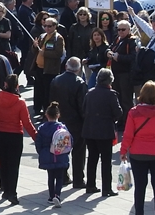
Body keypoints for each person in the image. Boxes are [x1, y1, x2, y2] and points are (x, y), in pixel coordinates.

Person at [121, 81, 155, 215]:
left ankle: (139, 212)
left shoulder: (134, 112)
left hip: (138, 153)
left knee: (140, 187)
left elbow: (128, 134)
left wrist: (123, 151)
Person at [0, 74, 37, 205]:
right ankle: (12, 192)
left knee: (3, 164)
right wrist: (36, 137)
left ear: (5, 84)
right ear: (17, 86)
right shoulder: (20, 102)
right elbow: (27, 123)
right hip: (15, 135)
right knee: (13, 165)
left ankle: (5, 190)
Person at [83, 68, 122, 196]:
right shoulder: (111, 94)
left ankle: (90, 185)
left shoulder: (90, 93)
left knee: (92, 158)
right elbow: (118, 113)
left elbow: (83, 110)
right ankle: (106, 188)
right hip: (105, 131)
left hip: (89, 129)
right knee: (106, 161)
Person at [50, 57, 87, 188]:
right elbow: (82, 105)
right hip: (76, 122)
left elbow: (51, 101)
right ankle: (78, 179)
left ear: (66, 66)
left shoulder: (56, 80)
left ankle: (63, 176)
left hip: (60, 120)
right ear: (78, 69)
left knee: (61, 150)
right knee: (78, 151)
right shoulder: (80, 83)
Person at [35, 102, 71, 208]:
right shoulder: (62, 127)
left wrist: (42, 153)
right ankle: (57, 195)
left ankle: (51, 196)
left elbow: (38, 143)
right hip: (60, 155)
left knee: (51, 177)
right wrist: (66, 152)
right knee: (60, 177)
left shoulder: (42, 128)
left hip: (47, 155)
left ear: (46, 115)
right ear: (58, 115)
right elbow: (69, 141)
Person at [34, 15, 66, 116]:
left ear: (55, 26)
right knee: (39, 90)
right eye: (45, 26)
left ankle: (47, 112)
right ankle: (37, 109)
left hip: (50, 69)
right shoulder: (42, 36)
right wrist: (34, 46)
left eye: (49, 26)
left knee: (47, 92)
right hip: (39, 68)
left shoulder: (58, 38)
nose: (47, 28)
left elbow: (58, 54)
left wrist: (45, 53)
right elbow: (34, 51)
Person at [110, 19, 138, 117]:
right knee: (118, 98)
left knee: (126, 100)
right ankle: (120, 120)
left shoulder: (132, 41)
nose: (121, 32)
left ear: (129, 30)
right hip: (116, 73)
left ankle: (127, 120)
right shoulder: (117, 39)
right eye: (119, 29)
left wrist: (119, 58)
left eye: (123, 30)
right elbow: (111, 48)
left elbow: (133, 57)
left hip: (125, 74)